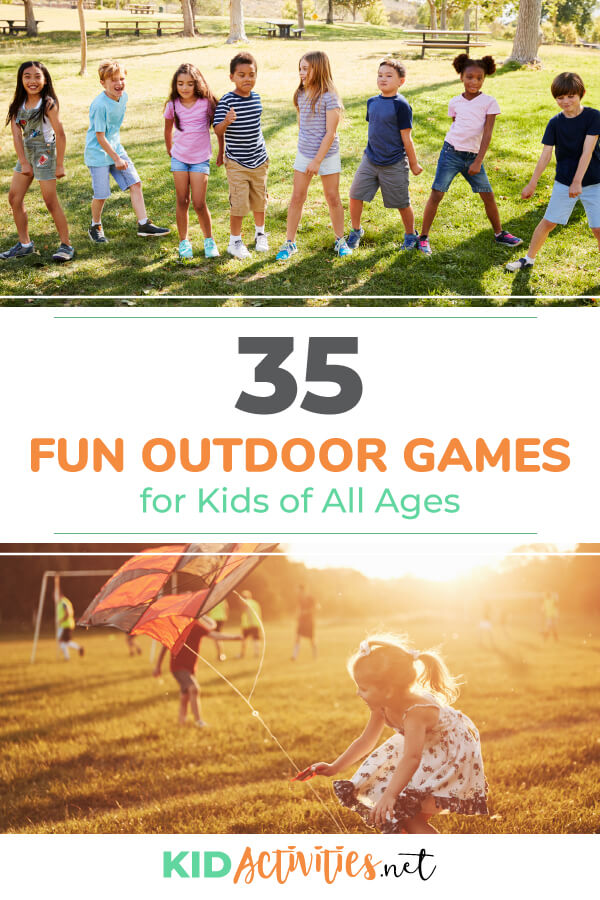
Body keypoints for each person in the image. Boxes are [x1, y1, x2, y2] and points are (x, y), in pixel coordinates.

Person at [295, 635, 488, 834]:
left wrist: (390, 794)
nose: (358, 694)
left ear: (387, 690)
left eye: (363, 688)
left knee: (407, 815)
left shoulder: (416, 713)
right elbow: (366, 740)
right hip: (424, 749)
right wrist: (335, 767)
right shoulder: (382, 705)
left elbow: (412, 758)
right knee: (405, 816)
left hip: (449, 753)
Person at [418, 54, 522, 255]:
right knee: (437, 193)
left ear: (484, 79)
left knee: (488, 195)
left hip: (474, 157)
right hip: (451, 153)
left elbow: (488, 133)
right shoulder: (455, 102)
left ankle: (499, 233)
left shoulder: (489, 102)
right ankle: (423, 238)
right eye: (469, 77)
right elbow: (456, 125)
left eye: (479, 78)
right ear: (461, 77)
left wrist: (478, 161)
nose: (474, 81)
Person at [506, 72, 600, 273]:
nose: (565, 101)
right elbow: (546, 155)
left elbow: (588, 151)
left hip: (594, 182)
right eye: (560, 97)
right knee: (549, 222)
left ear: (582, 93)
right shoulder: (555, 123)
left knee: (598, 228)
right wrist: (532, 182)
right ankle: (528, 259)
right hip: (564, 182)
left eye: (570, 96)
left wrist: (578, 181)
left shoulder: (594, 117)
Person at [276, 51, 352, 261]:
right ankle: (290, 242)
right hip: (304, 154)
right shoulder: (300, 94)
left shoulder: (330, 97)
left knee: (332, 197)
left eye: (306, 69)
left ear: (318, 70)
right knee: (297, 198)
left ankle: (340, 240)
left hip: (327, 156)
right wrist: (308, 156)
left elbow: (330, 132)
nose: (301, 73)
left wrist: (317, 160)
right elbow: (302, 125)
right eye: (300, 68)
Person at [85, 59, 170, 244]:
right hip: (98, 153)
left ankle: (143, 224)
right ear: (102, 83)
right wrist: (115, 158)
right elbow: (100, 137)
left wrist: (117, 154)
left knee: (135, 183)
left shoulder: (123, 97)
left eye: (121, 78)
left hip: (115, 147)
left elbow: (112, 130)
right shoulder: (99, 105)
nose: (119, 83)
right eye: (113, 80)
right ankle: (95, 226)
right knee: (102, 194)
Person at [1, 61, 74, 263]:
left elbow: (60, 134)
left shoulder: (48, 103)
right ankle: (25, 244)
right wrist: (23, 162)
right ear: (21, 79)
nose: (32, 81)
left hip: (45, 154)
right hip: (27, 154)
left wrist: (59, 164)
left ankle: (66, 245)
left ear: (45, 79)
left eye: (37, 76)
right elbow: (17, 137)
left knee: (50, 201)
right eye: (27, 76)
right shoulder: (18, 105)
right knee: (14, 198)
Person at [347, 58, 423, 252]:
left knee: (402, 202)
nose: (383, 79)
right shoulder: (372, 102)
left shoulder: (401, 105)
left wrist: (413, 164)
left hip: (394, 162)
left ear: (401, 81)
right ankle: (356, 231)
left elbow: (407, 138)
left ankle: (410, 235)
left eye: (389, 76)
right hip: (370, 159)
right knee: (355, 194)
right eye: (380, 75)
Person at [213, 53, 269, 259]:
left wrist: (262, 153)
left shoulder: (257, 98)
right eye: (242, 75)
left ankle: (260, 233)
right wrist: (227, 121)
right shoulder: (227, 100)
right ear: (232, 77)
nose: (247, 79)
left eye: (251, 75)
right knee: (239, 203)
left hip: (259, 160)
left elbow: (256, 127)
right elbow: (217, 130)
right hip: (237, 161)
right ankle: (234, 241)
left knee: (259, 200)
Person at [164, 63, 221, 260]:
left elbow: (219, 127)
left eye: (189, 83)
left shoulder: (207, 103)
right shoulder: (172, 105)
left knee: (198, 203)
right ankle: (184, 241)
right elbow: (167, 129)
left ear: (197, 84)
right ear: (175, 84)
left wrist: (222, 151)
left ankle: (209, 240)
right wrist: (170, 150)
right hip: (179, 159)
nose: (185, 88)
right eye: (180, 84)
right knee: (182, 200)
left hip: (200, 160)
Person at [153, 617, 241, 727]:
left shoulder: (196, 626)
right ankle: (198, 721)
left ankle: (181, 722)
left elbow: (215, 635)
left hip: (190, 668)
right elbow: (164, 648)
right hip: (178, 667)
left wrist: (234, 638)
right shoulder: (176, 628)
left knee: (185, 695)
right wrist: (158, 666)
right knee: (194, 689)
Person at [54, 578, 84, 661]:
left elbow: (67, 613)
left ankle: (70, 655)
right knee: (64, 641)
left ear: (58, 594)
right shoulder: (64, 602)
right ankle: (73, 653)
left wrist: (61, 620)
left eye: (54, 595)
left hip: (65, 624)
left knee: (62, 641)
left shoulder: (63, 602)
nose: (53, 597)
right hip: (67, 624)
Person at [291, 584, 317, 660]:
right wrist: (297, 615)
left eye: (299, 591)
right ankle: (294, 656)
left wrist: (305, 612)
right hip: (301, 621)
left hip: (309, 622)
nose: (298, 592)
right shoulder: (299, 599)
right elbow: (299, 608)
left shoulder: (310, 598)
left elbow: (314, 609)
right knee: (297, 638)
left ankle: (315, 655)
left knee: (312, 639)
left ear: (303, 590)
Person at [238, 590, 262, 659]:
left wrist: (250, 621)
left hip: (248, 624)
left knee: (244, 639)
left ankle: (242, 654)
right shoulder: (255, 603)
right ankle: (256, 654)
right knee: (256, 639)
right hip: (256, 623)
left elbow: (248, 612)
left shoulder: (246, 603)